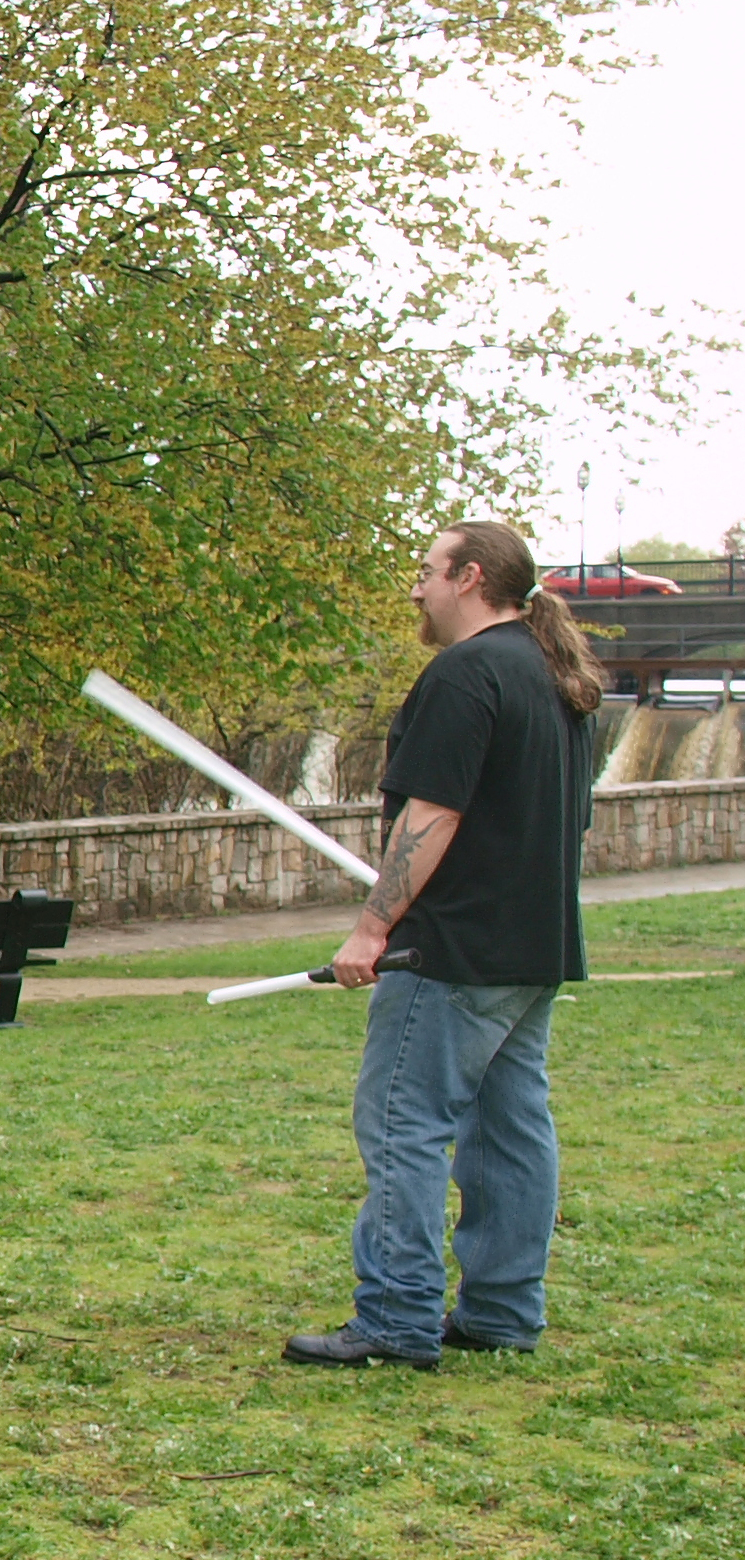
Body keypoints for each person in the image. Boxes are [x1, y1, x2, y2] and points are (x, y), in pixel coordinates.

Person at [284, 520, 601, 1369]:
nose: (416, 588)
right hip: (531, 950)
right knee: (509, 1129)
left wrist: (372, 928)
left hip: (451, 953)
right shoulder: (556, 676)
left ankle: (396, 1315)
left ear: (469, 577)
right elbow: (565, 821)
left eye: (427, 571)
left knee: (403, 1122)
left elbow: (432, 815)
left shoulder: (466, 674)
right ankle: (501, 1312)